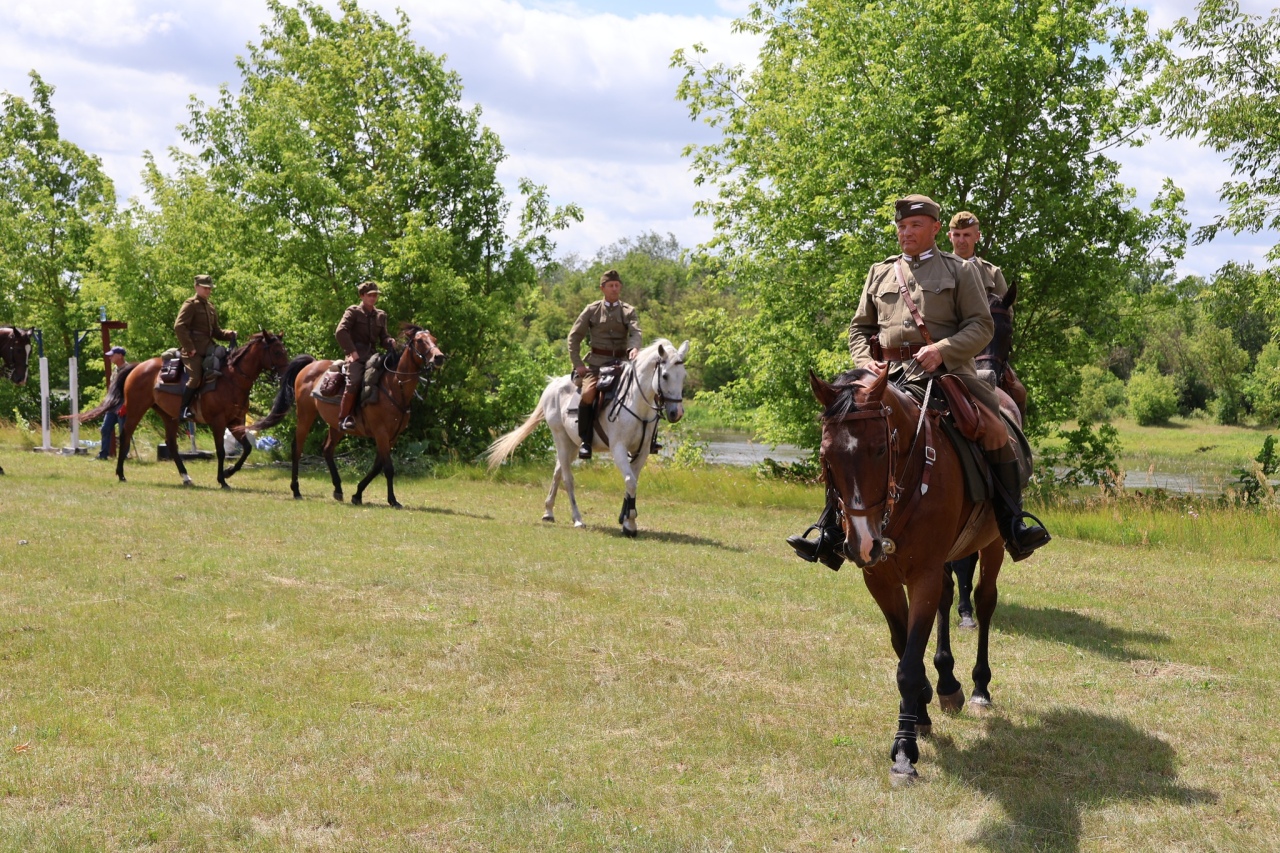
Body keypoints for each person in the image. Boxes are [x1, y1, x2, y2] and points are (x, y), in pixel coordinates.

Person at [787, 194, 1049, 569]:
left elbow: (982, 325)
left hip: (946, 375)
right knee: (848, 437)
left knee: (991, 428)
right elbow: (859, 329)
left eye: (915, 226)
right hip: (886, 377)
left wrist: (943, 349)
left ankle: (1011, 523)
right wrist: (868, 365)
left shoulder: (961, 271)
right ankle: (830, 529)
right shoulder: (881, 272)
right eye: (901, 227)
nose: (905, 233)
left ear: (936, 229)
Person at [567, 269, 642, 460]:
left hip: (622, 365)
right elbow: (574, 338)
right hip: (597, 366)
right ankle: (585, 440)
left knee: (647, 390)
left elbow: (635, 332)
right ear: (603, 288)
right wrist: (578, 364)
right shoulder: (591, 310)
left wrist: (634, 348)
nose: (615, 289)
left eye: (617, 285)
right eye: (611, 285)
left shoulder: (628, 311)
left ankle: (646, 439)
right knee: (588, 393)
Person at [335, 281, 396, 431]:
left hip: (373, 356)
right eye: (370, 295)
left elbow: (383, 338)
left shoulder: (381, 315)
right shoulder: (353, 311)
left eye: (375, 295)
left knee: (390, 377)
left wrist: (389, 341)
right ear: (362, 296)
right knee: (355, 381)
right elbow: (340, 331)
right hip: (356, 356)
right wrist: (352, 351)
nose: (373, 298)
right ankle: (344, 418)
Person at [174, 274, 236, 420]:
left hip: (209, 349)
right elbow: (179, 326)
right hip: (192, 352)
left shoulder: (210, 307)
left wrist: (230, 334)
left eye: (209, 288)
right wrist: (189, 347)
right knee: (195, 378)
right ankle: (182, 409)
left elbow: (216, 332)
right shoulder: (190, 304)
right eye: (205, 288)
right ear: (196, 287)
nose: (208, 291)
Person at [947, 211, 1007, 297]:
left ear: (977, 236)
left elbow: (1005, 309)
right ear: (950, 236)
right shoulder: (938, 269)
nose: (961, 240)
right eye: (956, 235)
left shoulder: (992, 274)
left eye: (966, 235)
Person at [96, 346, 128, 460]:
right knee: (105, 428)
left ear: (120, 356)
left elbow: (130, 391)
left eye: (112, 355)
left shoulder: (128, 370)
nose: (110, 357)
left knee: (123, 432)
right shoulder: (115, 370)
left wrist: (125, 405)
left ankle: (123, 456)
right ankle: (103, 454)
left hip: (123, 404)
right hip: (112, 404)